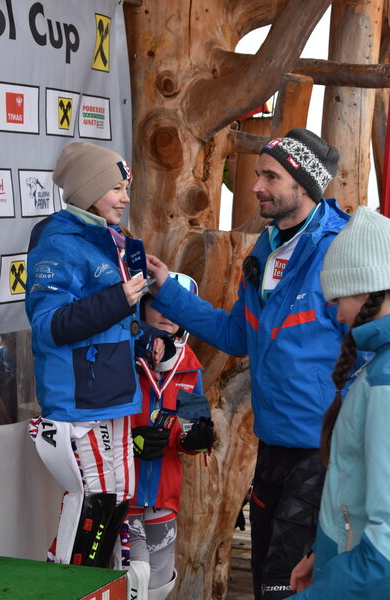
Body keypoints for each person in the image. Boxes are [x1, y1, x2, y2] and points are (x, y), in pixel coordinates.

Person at [146, 129, 358, 600]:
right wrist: (168, 293)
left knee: (288, 582)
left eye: (270, 176)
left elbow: (368, 347)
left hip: (324, 450)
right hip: (273, 443)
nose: (255, 186)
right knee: (266, 576)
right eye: (257, 174)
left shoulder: (341, 247)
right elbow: (238, 335)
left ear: (303, 185)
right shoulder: (265, 249)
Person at [26, 142, 171, 571]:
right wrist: (119, 300)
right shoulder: (58, 240)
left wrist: (145, 338)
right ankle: (68, 585)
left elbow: (110, 320)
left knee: (114, 497)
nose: (125, 198)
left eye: (125, 187)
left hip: (114, 394)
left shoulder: (111, 237)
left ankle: (92, 585)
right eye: (115, 188)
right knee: (93, 500)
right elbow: (49, 325)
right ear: (88, 190)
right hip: (78, 400)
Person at [289, 206, 390, 599]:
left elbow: (385, 547)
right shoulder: (378, 367)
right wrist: (324, 551)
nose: (335, 311)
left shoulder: (383, 379)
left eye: (337, 298)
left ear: (367, 288)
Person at [128, 275, 215, 600]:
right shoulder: (123, 358)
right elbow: (100, 424)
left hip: (164, 493)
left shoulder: (190, 368)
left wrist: (196, 439)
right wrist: (131, 439)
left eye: (175, 307)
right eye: (157, 305)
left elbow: (190, 436)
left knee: (160, 583)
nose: (167, 314)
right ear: (141, 307)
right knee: (133, 578)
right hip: (126, 494)